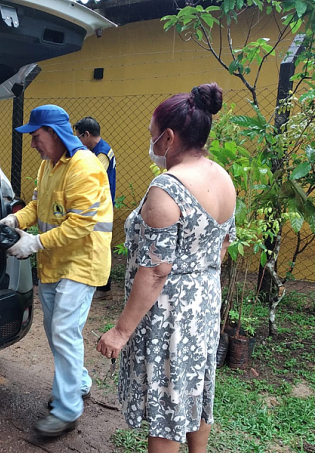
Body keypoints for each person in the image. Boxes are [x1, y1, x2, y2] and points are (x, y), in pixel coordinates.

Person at [96, 83, 236, 453]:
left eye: (152, 135)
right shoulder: (222, 177)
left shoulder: (168, 188)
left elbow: (156, 271)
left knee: (167, 402)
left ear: (169, 137)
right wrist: (197, 279)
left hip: (169, 313)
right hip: (205, 305)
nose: (152, 142)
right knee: (194, 389)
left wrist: (120, 333)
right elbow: (222, 246)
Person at [0, 105, 113, 437]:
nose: (33, 144)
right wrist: (15, 220)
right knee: (56, 330)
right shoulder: (48, 166)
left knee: (62, 329)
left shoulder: (85, 168)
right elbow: (37, 205)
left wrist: (34, 244)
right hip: (55, 261)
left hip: (82, 261)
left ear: (55, 133)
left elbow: (81, 222)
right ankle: (79, 382)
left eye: (36, 137)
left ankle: (67, 410)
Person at [74, 117, 116, 300]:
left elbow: (92, 178)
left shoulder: (101, 154)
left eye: (79, 137)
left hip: (100, 206)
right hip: (99, 204)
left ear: (87, 134)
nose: (78, 141)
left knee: (99, 246)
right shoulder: (101, 150)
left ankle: (103, 288)